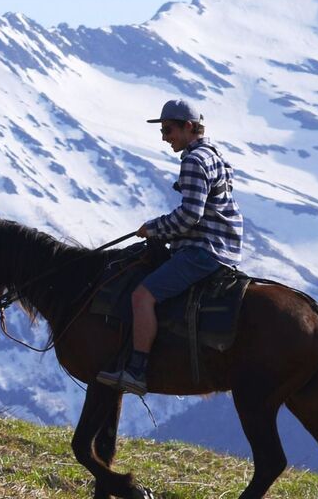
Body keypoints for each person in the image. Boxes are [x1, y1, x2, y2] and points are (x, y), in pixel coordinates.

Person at [95, 99, 243, 395]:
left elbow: (190, 215)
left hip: (203, 250)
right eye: (162, 131)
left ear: (189, 127)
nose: (164, 137)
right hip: (222, 247)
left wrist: (154, 228)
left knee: (142, 295)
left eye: (168, 129)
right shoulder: (215, 156)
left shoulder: (193, 160)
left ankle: (136, 369)